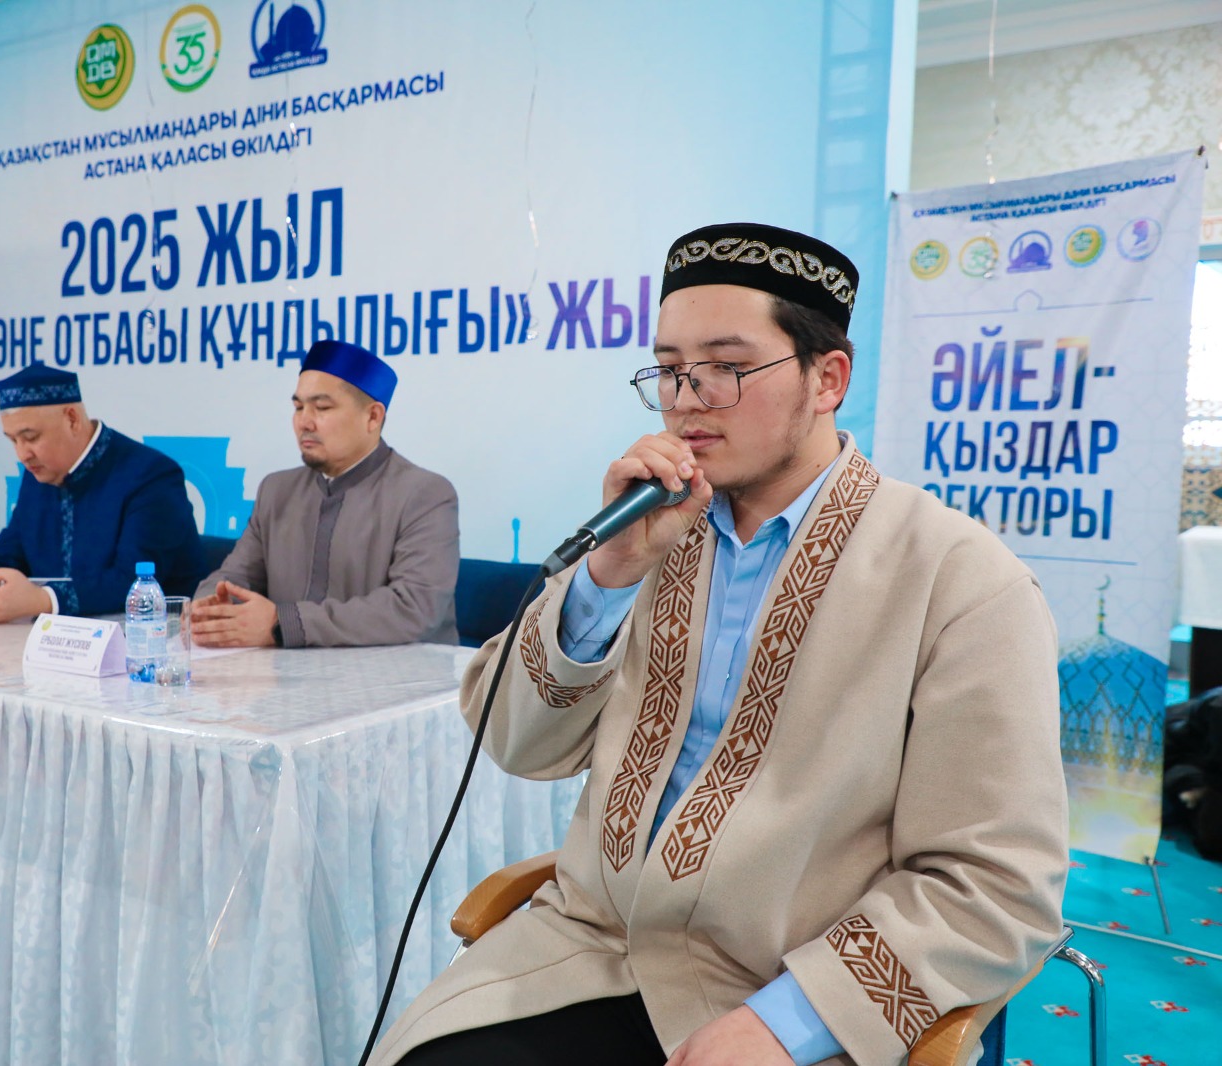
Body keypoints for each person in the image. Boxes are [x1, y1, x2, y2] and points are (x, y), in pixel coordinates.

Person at [373, 223, 1068, 1066]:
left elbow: (995, 883)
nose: (689, 399)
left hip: (793, 982)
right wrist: (609, 575)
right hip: (594, 951)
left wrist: (788, 1022)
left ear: (828, 379)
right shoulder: (650, 529)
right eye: (670, 370)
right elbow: (515, 740)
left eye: (728, 368)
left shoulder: (959, 579)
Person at [0, 364, 202, 623]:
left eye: (31, 437)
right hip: (58, 648)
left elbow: (133, 583)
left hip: (151, 650)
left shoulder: (150, 476)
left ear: (72, 419)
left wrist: (42, 600)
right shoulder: (38, 475)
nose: (22, 454)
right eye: (13, 440)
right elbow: (7, 558)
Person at [192, 339, 459, 648]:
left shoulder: (424, 495)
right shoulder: (277, 491)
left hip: (400, 673)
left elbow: (413, 608)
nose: (304, 422)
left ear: (373, 417)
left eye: (322, 408)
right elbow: (235, 576)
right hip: (288, 670)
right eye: (298, 407)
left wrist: (283, 623)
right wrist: (209, 608)